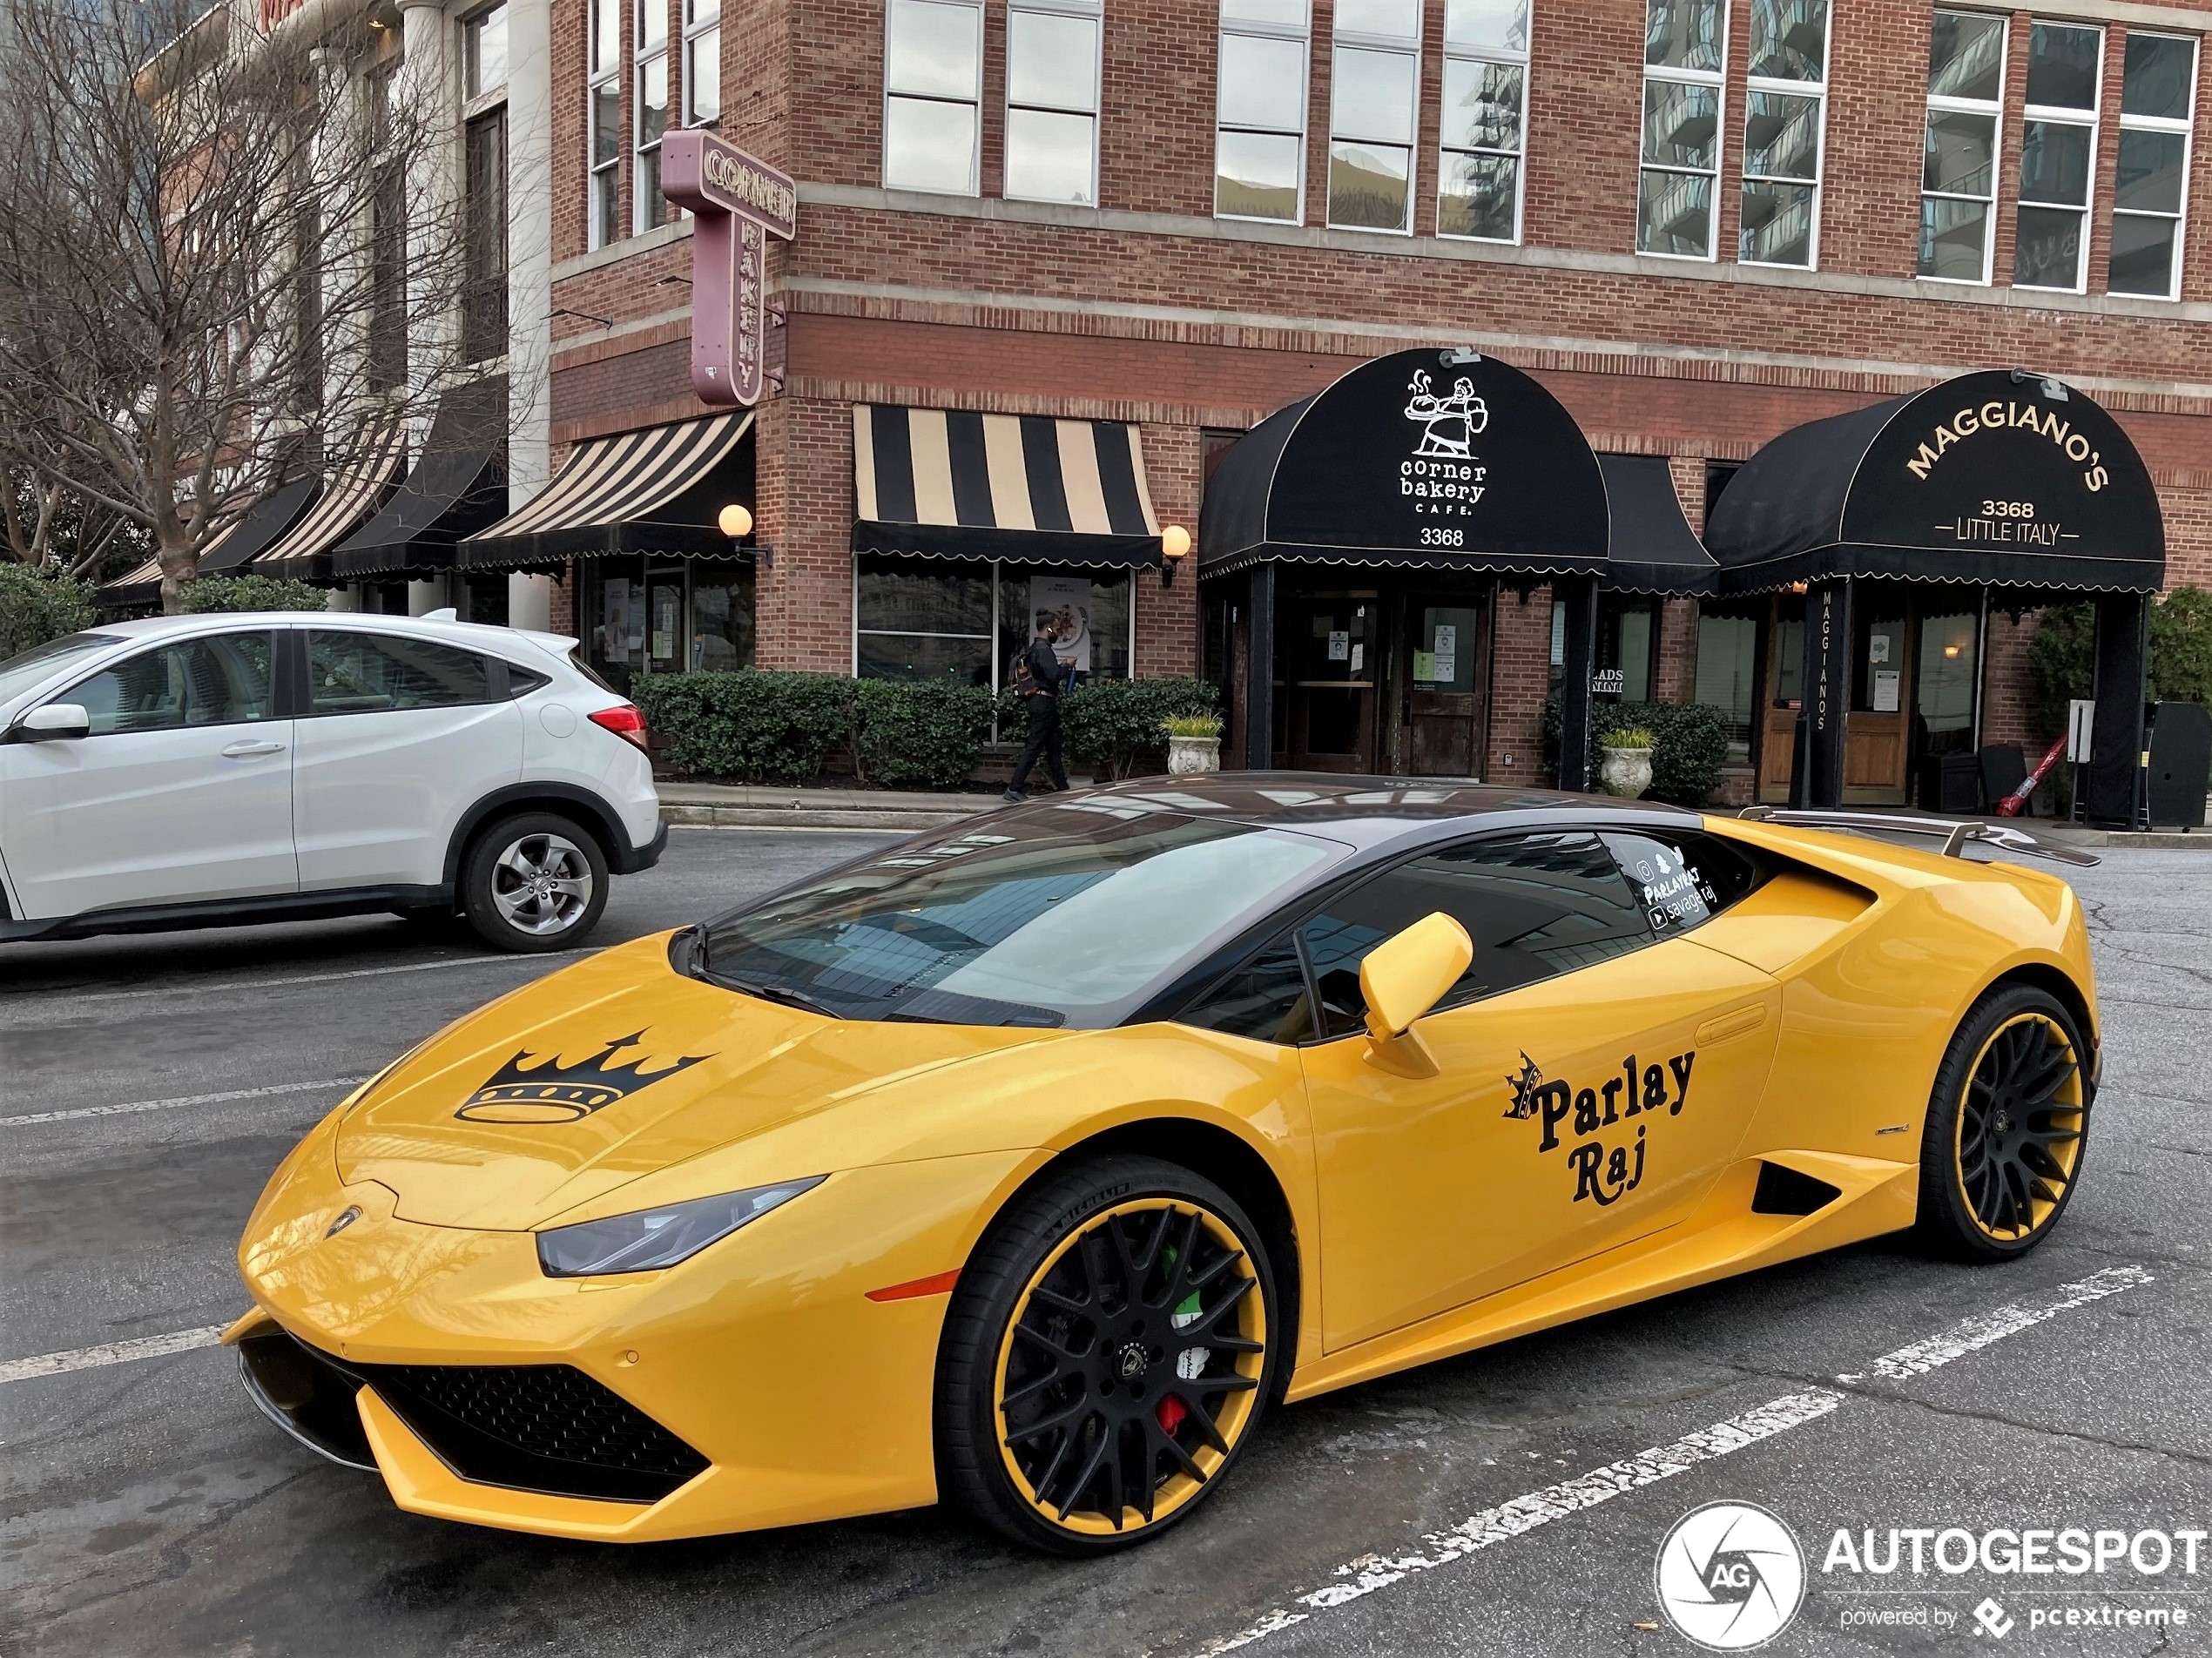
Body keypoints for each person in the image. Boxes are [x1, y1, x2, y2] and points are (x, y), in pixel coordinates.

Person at [1003, 618, 1070, 801]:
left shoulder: (1034, 648)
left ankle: (1063, 789)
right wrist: (1066, 666)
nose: (1058, 633)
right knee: (1034, 747)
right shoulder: (1043, 649)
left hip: (1041, 702)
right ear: (1048, 629)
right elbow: (1054, 675)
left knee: (1053, 747)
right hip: (1044, 703)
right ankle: (1014, 788)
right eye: (1056, 629)